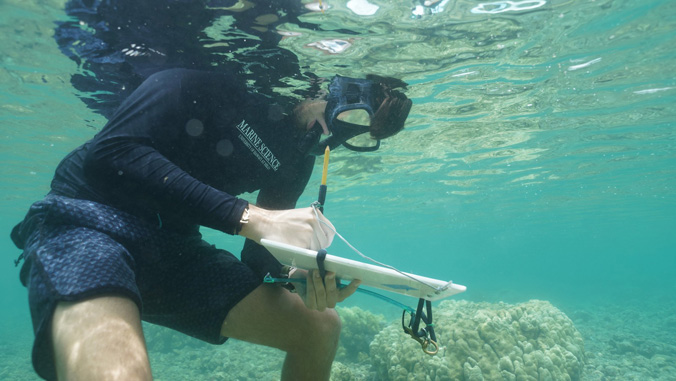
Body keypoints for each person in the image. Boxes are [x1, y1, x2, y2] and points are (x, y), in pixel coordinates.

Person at [10, 68, 412, 380]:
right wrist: (248, 216)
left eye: (354, 135)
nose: (335, 133)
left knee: (320, 326)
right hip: (88, 218)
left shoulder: (296, 158)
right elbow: (112, 152)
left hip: (175, 247)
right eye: (346, 116)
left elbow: (260, 256)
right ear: (328, 90)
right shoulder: (219, 83)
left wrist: (297, 276)